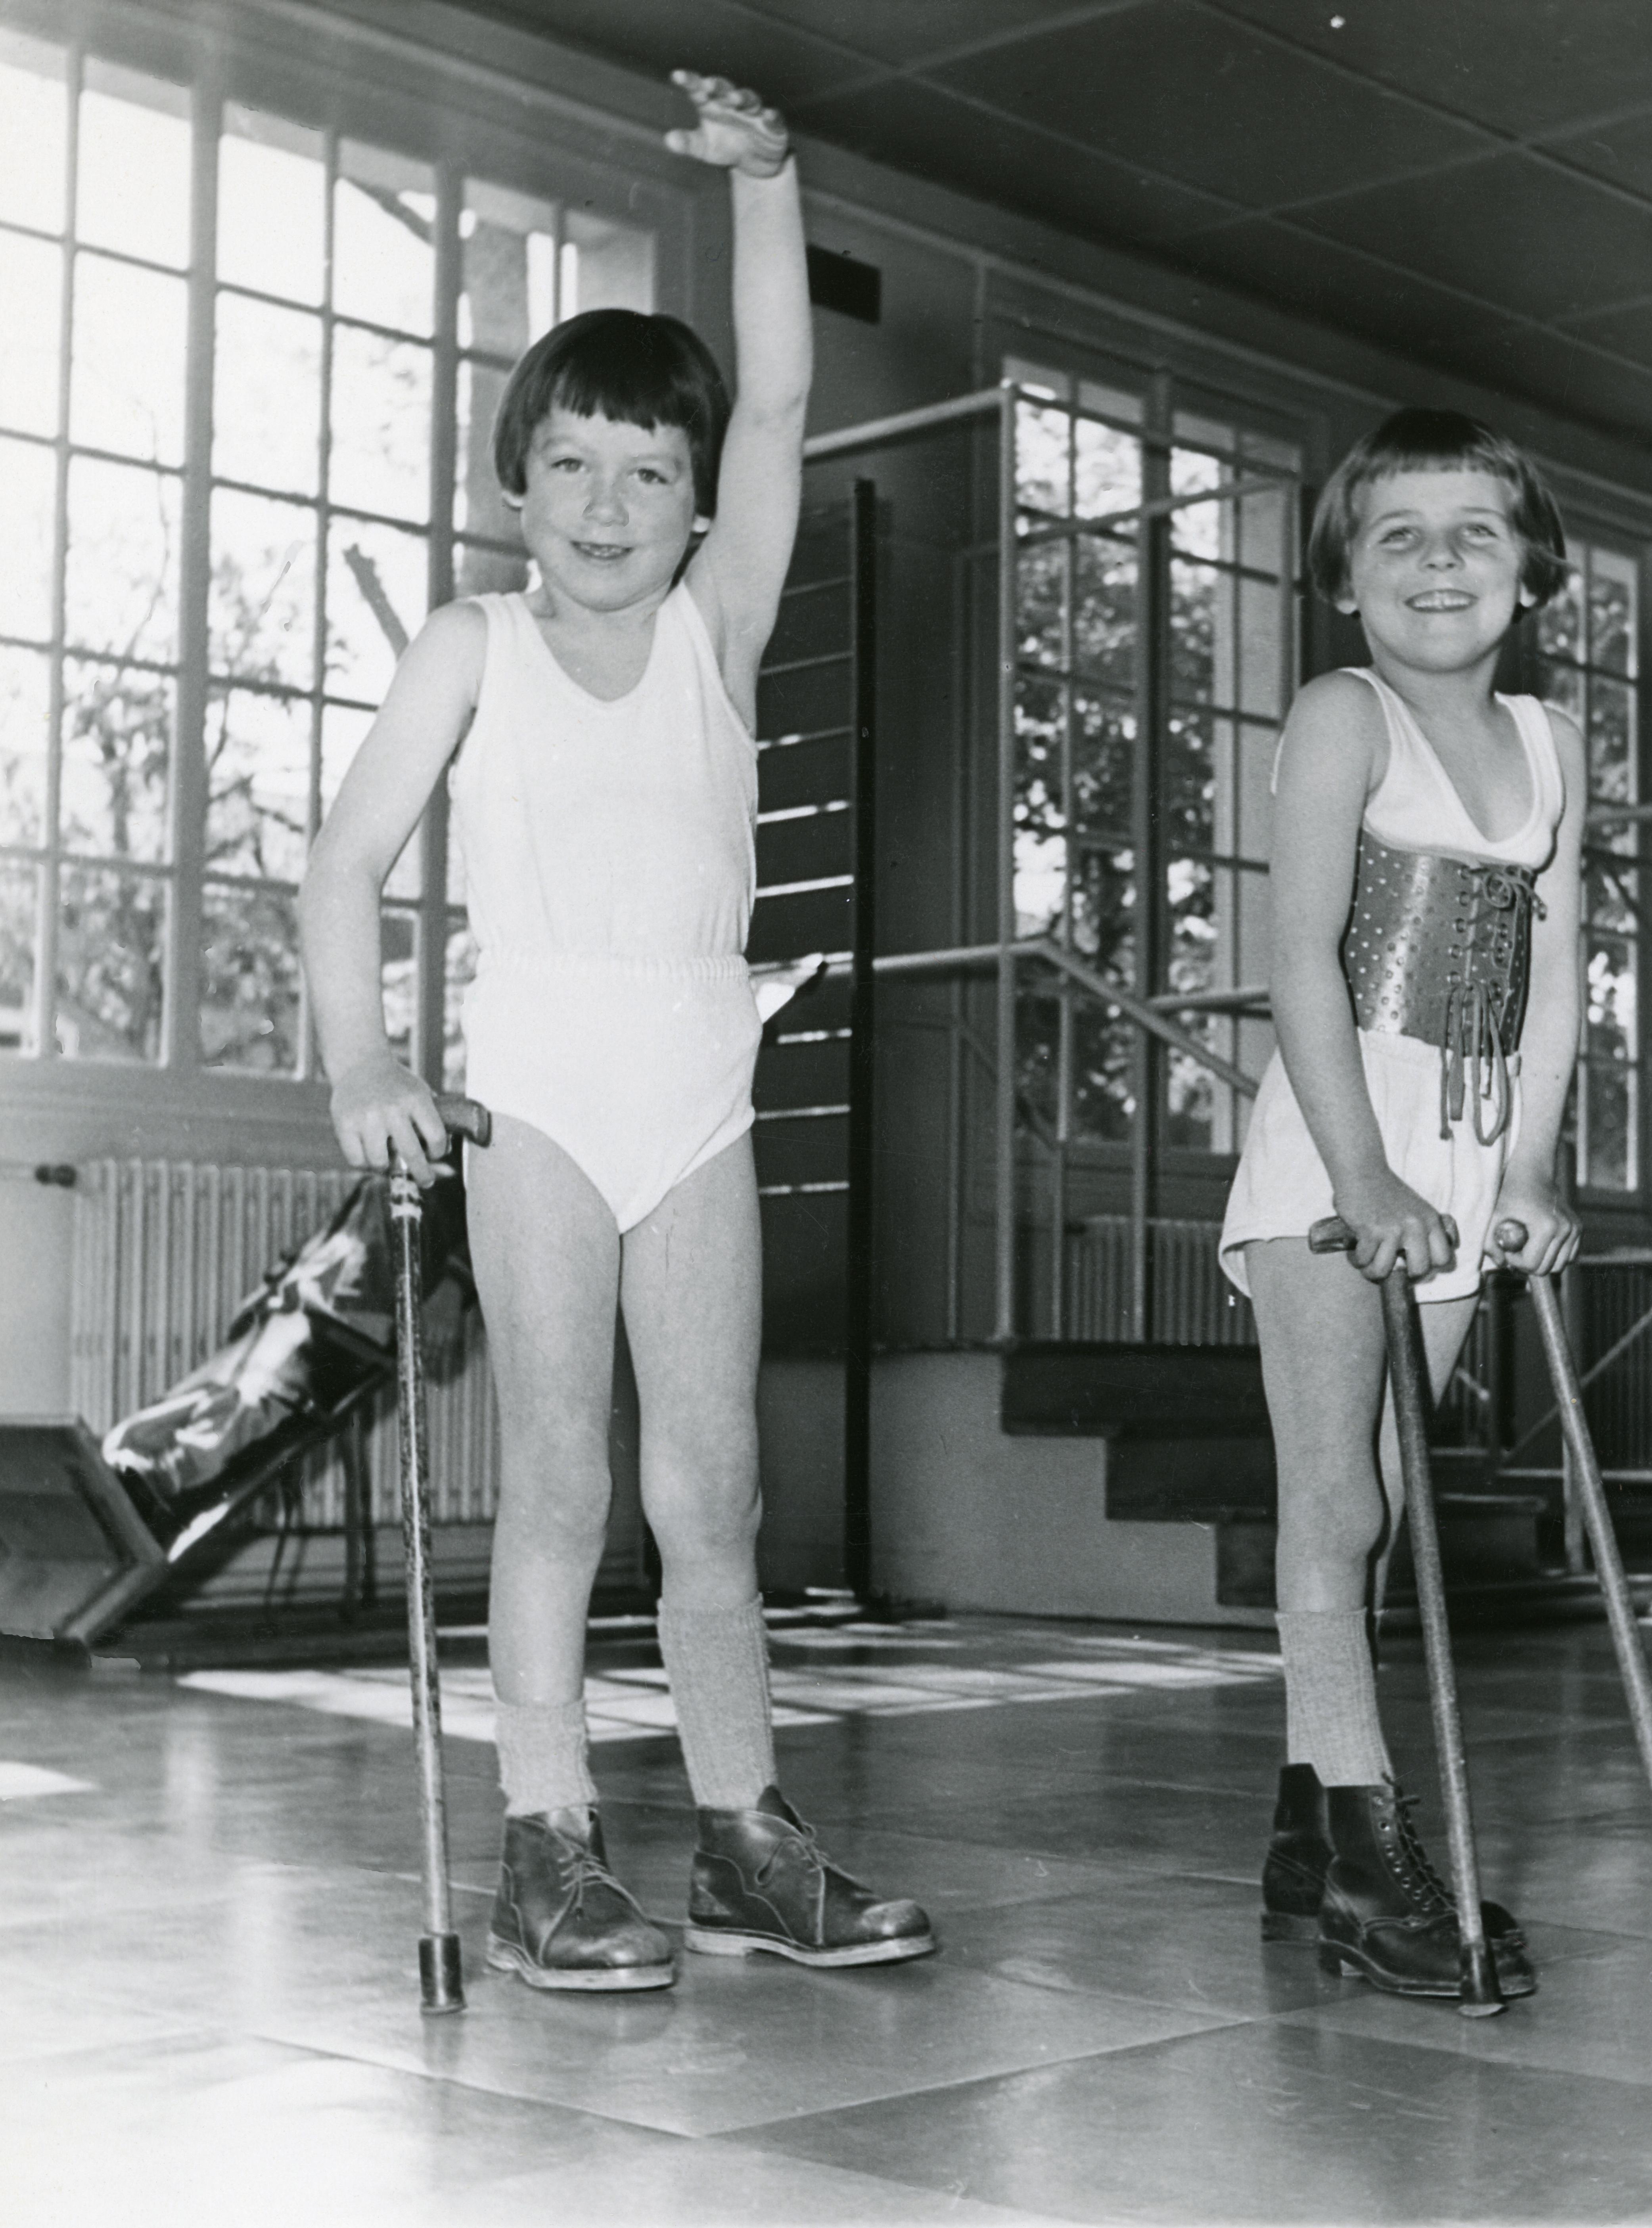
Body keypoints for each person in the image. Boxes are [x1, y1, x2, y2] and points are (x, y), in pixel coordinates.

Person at [301, 72, 932, 1993]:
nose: (608, 504)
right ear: (516, 483)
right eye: (571, 465)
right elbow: (341, 868)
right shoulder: (466, 646)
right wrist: (360, 1066)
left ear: (694, 501)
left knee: (715, 1491)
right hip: (540, 1098)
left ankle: (744, 1832)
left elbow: (787, 398)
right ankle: (550, 1839)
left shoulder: (715, 630)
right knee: (565, 1475)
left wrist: (767, 184)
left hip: (694, 1089)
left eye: (651, 471)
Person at [1218, 408, 1584, 2003]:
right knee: (1336, 1504)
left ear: (1532, 570)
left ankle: (1309, 1822)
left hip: (1461, 1140)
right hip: (1333, 1137)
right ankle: (1372, 1864)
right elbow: (1301, 951)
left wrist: (1529, 1168)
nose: (1440, 562)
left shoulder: (1554, 745)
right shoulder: (1339, 713)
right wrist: (1359, 1171)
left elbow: (1560, 969)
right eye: (1398, 535)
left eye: (1475, 532)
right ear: (1345, 576)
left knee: (1382, 1494)